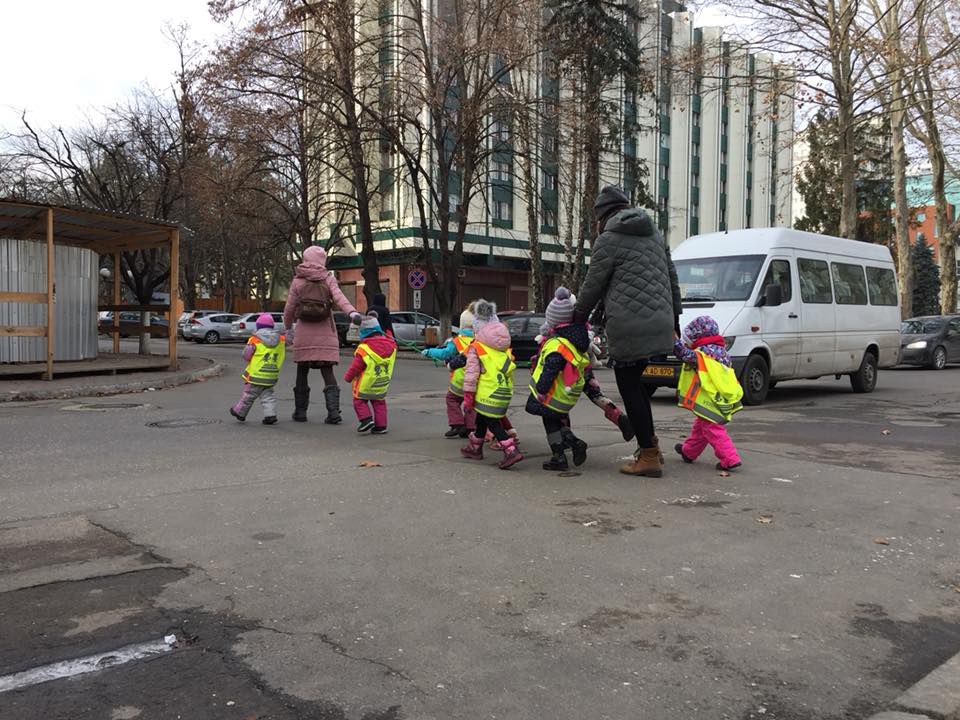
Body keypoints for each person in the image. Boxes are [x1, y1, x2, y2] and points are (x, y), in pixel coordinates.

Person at [574, 185, 683, 477]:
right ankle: (650, 445)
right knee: (641, 388)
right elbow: (672, 279)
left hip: (629, 324)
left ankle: (648, 453)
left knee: (631, 387)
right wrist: (675, 321)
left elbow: (592, 285)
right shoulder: (655, 235)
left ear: (603, 215)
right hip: (661, 322)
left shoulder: (609, 240)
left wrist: (575, 319)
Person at [283, 245, 360, 425]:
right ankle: (333, 413)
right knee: (328, 372)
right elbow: (340, 298)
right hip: (326, 332)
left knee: (302, 371)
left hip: (304, 334)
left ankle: (300, 412)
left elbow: (289, 308)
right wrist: (352, 313)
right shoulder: (328, 279)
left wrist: (288, 328)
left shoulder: (298, 281)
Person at [525, 288, 592, 471]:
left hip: (552, 394)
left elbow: (551, 368)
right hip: (565, 395)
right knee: (552, 421)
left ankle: (570, 445)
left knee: (550, 421)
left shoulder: (558, 344)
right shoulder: (574, 341)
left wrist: (541, 390)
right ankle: (559, 456)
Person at [673, 316, 744, 471]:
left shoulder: (703, 354)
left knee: (712, 429)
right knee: (701, 427)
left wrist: (674, 340)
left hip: (710, 398)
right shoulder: (722, 351)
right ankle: (689, 452)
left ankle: (730, 458)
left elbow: (684, 354)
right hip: (720, 396)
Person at [460, 300, 523, 469]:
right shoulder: (503, 348)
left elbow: (471, 375)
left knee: (493, 423)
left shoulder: (477, 347)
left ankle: (510, 450)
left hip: (486, 391)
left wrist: (468, 396)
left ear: (477, 327)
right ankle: (475, 447)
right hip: (504, 390)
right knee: (482, 418)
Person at [421, 304, 477, 438]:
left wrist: (428, 352)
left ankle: (457, 424)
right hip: (475, 379)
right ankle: (471, 427)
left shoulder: (457, 341)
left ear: (462, 325)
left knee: (452, 399)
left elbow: (445, 353)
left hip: (459, 380)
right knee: (471, 403)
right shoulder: (478, 340)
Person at [343, 311, 397, 434]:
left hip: (366, 383)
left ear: (364, 332)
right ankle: (381, 426)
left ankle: (366, 419)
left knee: (359, 401)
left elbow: (356, 366)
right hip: (382, 382)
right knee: (379, 403)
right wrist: (388, 334)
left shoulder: (364, 349)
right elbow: (390, 339)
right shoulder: (391, 346)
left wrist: (348, 377)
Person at [230, 313, 286, 425]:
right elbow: (290, 339)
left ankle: (240, 412)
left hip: (256, 375)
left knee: (249, 395)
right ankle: (270, 415)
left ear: (258, 326)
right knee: (268, 395)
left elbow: (246, 355)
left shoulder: (255, 339)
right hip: (271, 374)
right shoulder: (281, 339)